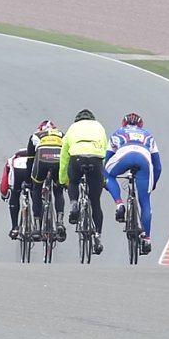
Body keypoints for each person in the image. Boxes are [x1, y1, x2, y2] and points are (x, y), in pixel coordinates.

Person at [105, 112, 162, 255]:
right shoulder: (148, 135)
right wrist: (152, 183)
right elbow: (158, 166)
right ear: (140, 125)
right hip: (144, 159)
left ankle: (119, 203)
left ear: (124, 124)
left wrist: (108, 181)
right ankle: (147, 239)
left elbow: (107, 160)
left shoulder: (118, 132)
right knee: (145, 202)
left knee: (106, 172)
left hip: (124, 156)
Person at [59, 109, 109, 255]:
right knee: (95, 202)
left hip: (77, 158)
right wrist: (103, 176)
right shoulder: (99, 127)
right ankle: (98, 237)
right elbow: (105, 152)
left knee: (73, 181)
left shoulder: (72, 128)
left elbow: (64, 156)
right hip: (96, 159)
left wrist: (63, 180)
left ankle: (74, 204)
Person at [26, 119, 67, 242]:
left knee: (37, 189)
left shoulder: (35, 135)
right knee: (58, 191)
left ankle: (37, 227)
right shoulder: (62, 134)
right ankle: (59, 221)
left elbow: (30, 161)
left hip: (42, 159)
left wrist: (28, 181)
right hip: (58, 159)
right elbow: (67, 156)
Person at [0, 147, 31, 240]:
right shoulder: (37, 154)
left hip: (17, 170)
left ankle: (14, 228)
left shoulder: (12, 158)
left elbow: (5, 179)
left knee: (15, 195)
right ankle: (38, 226)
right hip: (31, 168)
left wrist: (4, 193)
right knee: (35, 193)